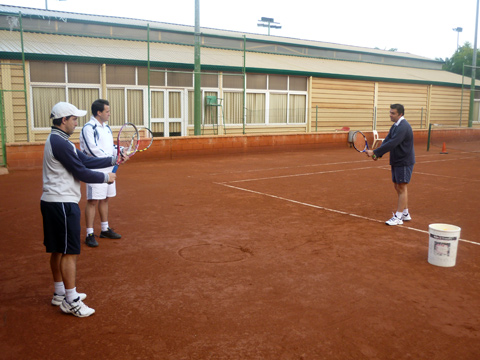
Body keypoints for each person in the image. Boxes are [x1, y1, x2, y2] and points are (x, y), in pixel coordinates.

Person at [41, 102, 118, 317]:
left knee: (58, 249)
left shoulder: (59, 139)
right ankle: (71, 300)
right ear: (64, 120)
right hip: (63, 204)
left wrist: (112, 159)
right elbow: (81, 170)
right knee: (70, 252)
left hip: (53, 202)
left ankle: (59, 293)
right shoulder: (60, 143)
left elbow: (83, 159)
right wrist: (106, 176)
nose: (76, 122)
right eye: (74, 119)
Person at [80, 99, 121, 247]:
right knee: (92, 201)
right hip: (95, 170)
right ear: (99, 112)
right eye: (107, 111)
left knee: (105, 199)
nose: (109, 113)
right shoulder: (88, 128)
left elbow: (111, 146)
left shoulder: (106, 128)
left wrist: (120, 151)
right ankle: (89, 233)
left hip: (108, 169)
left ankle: (104, 229)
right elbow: (92, 150)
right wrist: (112, 159)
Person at [366, 104, 415, 226]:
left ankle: (398, 217)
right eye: (390, 112)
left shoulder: (403, 127)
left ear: (400, 114)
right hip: (397, 160)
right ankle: (405, 213)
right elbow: (387, 140)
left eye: (393, 113)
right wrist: (378, 155)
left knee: (402, 187)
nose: (390, 115)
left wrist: (375, 152)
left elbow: (393, 143)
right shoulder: (395, 126)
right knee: (398, 186)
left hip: (404, 161)